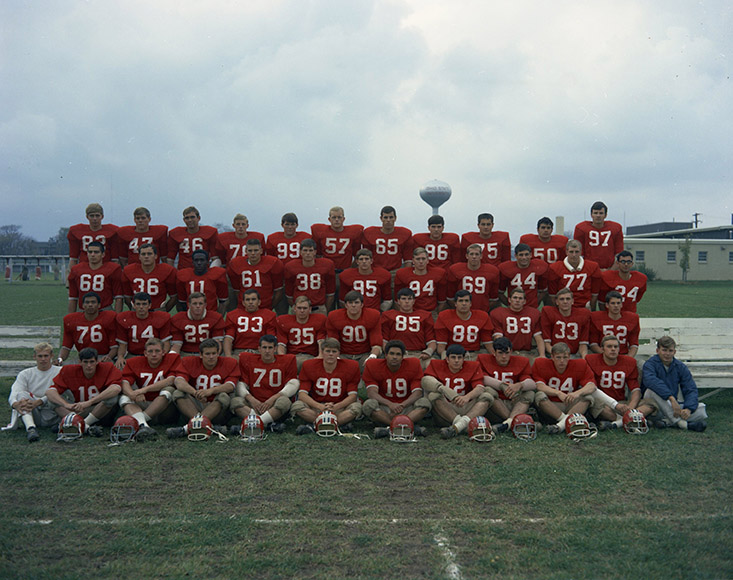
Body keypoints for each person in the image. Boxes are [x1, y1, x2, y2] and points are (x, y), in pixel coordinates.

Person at [166, 338, 238, 436]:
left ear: (218, 353)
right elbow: (179, 382)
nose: (211, 357)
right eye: (207, 354)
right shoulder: (189, 361)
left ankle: (186, 428)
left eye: (214, 353)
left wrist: (211, 391)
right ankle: (209, 427)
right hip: (196, 404)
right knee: (178, 393)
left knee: (224, 396)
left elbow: (230, 386)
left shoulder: (229, 363)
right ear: (200, 355)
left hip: (216, 407)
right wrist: (195, 393)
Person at [291, 338, 362, 434]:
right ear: (322, 352)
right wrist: (319, 406)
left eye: (334, 351)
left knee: (357, 407)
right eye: (328, 351)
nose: (331, 354)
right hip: (317, 407)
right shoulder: (309, 365)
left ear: (338, 353)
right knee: (297, 406)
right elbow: (302, 394)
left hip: (338, 407)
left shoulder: (351, 366)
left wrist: (336, 407)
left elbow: (352, 396)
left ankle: (315, 425)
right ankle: (337, 425)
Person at [46, 347, 122, 436]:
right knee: (51, 401)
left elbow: (116, 388)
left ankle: (80, 425)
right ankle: (83, 426)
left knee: (112, 398)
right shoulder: (69, 370)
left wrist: (90, 402)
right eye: (85, 362)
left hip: (99, 409)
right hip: (78, 408)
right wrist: (66, 405)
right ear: (80, 362)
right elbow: (50, 391)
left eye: (92, 362)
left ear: (97, 361)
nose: (89, 365)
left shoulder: (107, 368)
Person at [362, 340, 431, 437]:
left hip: (406, 405)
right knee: (368, 405)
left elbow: (418, 392)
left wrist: (402, 405)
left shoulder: (413, 364)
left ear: (403, 356)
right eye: (392, 353)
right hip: (385, 407)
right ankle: (408, 427)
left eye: (398, 354)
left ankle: (390, 428)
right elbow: (371, 393)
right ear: (386, 355)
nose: (394, 357)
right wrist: (390, 404)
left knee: (425, 403)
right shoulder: (373, 365)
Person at [229, 335, 297, 434]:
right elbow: (241, 384)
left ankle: (256, 424)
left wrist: (273, 398)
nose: (267, 351)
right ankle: (265, 423)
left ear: (275, 349)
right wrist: (251, 399)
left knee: (284, 401)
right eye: (264, 347)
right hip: (254, 404)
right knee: (235, 401)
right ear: (259, 349)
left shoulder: (287, 360)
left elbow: (293, 384)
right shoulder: (248, 359)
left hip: (274, 404)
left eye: (270, 348)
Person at [586, 335, 655, 430]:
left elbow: (635, 389)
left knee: (651, 403)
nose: (613, 349)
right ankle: (632, 420)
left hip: (622, 403)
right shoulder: (592, 360)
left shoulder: (628, 362)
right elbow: (592, 389)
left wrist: (630, 407)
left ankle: (620, 422)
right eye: (609, 346)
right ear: (602, 349)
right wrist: (616, 406)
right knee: (593, 403)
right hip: (604, 403)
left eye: (616, 347)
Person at [422, 344, 492, 439]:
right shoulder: (436, 364)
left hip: (466, 407)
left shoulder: (473, 366)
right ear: (447, 359)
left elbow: (480, 387)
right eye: (453, 357)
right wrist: (445, 390)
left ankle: (457, 427)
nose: (456, 360)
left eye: (459, 357)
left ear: (464, 359)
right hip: (446, 410)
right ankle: (464, 426)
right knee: (433, 395)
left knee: (487, 395)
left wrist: (467, 397)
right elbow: (425, 381)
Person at [641, 336, 708, 431]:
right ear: (657, 351)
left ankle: (666, 422)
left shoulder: (680, 366)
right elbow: (651, 382)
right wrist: (671, 398)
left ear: (674, 352)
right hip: (654, 405)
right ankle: (681, 424)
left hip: (671, 406)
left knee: (701, 409)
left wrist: (688, 409)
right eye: (664, 350)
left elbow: (690, 389)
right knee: (651, 390)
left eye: (670, 350)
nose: (667, 354)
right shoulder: (650, 364)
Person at [119, 338, 180, 439]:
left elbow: (170, 380)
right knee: (124, 397)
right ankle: (143, 425)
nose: (154, 354)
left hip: (163, 408)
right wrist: (132, 394)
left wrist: (143, 390)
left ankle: (140, 420)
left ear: (164, 352)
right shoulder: (133, 362)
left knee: (169, 390)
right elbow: (124, 382)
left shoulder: (172, 359)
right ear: (145, 353)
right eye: (150, 351)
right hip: (143, 402)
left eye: (157, 351)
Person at [532, 342, 597, 434]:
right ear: (552, 357)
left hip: (570, 403)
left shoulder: (580, 364)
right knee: (539, 395)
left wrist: (577, 393)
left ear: (569, 357)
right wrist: (558, 393)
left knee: (588, 397)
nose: (562, 361)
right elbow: (539, 386)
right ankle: (568, 422)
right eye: (558, 357)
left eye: (565, 357)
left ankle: (560, 426)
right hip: (551, 405)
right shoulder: (541, 363)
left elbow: (592, 386)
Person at [477, 337, 536, 432]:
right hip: (496, 404)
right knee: (488, 391)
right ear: (493, 352)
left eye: (507, 353)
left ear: (511, 352)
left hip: (514, 402)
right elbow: (482, 378)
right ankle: (514, 422)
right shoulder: (483, 359)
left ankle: (507, 423)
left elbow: (532, 384)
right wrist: (502, 386)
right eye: (500, 353)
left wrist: (520, 385)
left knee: (530, 393)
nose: (504, 356)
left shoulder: (522, 361)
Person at [6, 343, 62, 442]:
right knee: (22, 395)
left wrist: (40, 401)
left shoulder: (60, 371)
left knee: (55, 395)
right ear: (34, 357)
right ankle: (31, 429)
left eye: (46, 356)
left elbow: (60, 391)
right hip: (32, 411)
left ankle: (62, 424)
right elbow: (15, 391)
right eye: (40, 356)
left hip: (53, 412)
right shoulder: (25, 373)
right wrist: (15, 404)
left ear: (52, 356)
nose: (43, 359)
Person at [380, 288, 436, 369]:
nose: (407, 301)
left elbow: (431, 341)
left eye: (409, 299)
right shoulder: (388, 315)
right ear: (398, 301)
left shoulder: (425, 316)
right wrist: (389, 354)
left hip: (419, 354)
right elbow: (384, 340)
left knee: (433, 365)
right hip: (396, 354)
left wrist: (428, 352)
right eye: (403, 299)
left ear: (414, 301)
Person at [326, 290, 382, 369]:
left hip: (364, 353)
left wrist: (373, 356)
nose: (353, 305)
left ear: (362, 305)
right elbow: (333, 342)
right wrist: (336, 357)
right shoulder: (335, 316)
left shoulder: (372, 316)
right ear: (345, 305)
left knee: (371, 364)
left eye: (356, 303)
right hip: (343, 354)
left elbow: (376, 343)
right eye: (350, 303)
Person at [115, 292, 172, 368]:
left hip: (154, 355)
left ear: (150, 305)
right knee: (120, 368)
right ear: (134, 305)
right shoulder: (125, 319)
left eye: (144, 304)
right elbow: (123, 344)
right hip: (133, 355)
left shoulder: (160, 318)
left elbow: (165, 342)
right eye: (138, 304)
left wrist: (162, 356)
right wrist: (120, 357)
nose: (141, 307)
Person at [59, 292, 118, 364]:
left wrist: (108, 357)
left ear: (99, 305)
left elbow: (114, 346)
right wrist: (60, 359)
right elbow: (66, 346)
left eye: (93, 302)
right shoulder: (71, 320)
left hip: (102, 356)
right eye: (87, 302)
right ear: (82, 305)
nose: (90, 305)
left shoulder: (109, 318)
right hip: (83, 357)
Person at [227, 238, 284, 311]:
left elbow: (278, 291)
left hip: (265, 306)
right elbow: (237, 290)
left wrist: (270, 306)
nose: (253, 253)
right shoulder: (236, 264)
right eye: (250, 251)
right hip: (244, 307)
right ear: (245, 251)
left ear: (261, 251)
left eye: (256, 250)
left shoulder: (273, 263)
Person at [435, 290, 494, 359]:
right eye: (460, 301)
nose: (464, 303)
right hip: (453, 354)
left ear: (470, 303)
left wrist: (494, 354)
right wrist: (445, 356)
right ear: (455, 303)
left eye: (466, 301)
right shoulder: (444, 316)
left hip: (474, 353)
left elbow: (487, 341)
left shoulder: (482, 316)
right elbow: (441, 346)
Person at [67, 241, 123, 313]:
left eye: (96, 252)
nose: (92, 255)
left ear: (103, 254)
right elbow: (73, 298)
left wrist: (117, 317)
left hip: (105, 310)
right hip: (83, 310)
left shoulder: (113, 269)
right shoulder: (76, 270)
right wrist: (71, 318)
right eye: (90, 252)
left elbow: (118, 297)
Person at [490, 288, 545, 361]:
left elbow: (538, 337)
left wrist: (542, 355)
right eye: (515, 297)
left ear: (524, 301)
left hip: (527, 352)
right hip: (507, 352)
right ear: (509, 300)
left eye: (520, 298)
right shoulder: (498, 313)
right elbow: (498, 337)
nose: (517, 300)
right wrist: (504, 353)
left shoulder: (534, 314)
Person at [284, 239, 336, 313]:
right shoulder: (291, 266)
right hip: (299, 308)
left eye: (310, 250)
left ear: (315, 252)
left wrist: (324, 309)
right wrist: (297, 307)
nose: (308, 253)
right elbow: (289, 294)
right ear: (300, 252)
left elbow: (330, 293)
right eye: (305, 250)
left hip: (318, 307)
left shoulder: (327, 265)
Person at [275, 295, 327, 369]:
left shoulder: (320, 319)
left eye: (305, 308)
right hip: (293, 356)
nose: (302, 311)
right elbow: (281, 344)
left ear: (310, 309)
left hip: (311, 356)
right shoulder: (283, 321)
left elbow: (321, 341)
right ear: (294, 309)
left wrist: (320, 356)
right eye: (299, 308)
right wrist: (283, 358)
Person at [122, 243, 178, 311]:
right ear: (139, 257)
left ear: (156, 256)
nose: (146, 256)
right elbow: (127, 297)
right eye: (143, 254)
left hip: (158, 310)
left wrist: (164, 309)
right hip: (137, 311)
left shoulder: (167, 270)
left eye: (149, 254)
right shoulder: (129, 270)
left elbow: (174, 296)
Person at [547, 240, 601, 310]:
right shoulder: (555, 268)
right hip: (564, 307)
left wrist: (591, 308)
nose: (574, 255)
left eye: (577, 252)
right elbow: (553, 295)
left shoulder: (592, 266)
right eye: (571, 252)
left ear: (581, 252)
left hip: (584, 307)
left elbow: (594, 294)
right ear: (566, 252)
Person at [222, 289, 278, 357]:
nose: (250, 302)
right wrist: (228, 356)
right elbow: (228, 338)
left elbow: (271, 339)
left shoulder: (269, 315)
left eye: (253, 299)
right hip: (239, 351)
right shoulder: (232, 315)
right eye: (248, 300)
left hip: (260, 352)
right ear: (243, 302)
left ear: (259, 302)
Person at [446, 243, 500, 312]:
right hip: (461, 312)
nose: (474, 257)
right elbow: (450, 297)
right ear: (466, 256)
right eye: (471, 254)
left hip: (482, 311)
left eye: (477, 254)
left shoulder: (492, 271)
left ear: (481, 256)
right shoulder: (455, 270)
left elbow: (493, 298)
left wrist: (484, 309)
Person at [394, 247, 447, 315]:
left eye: (423, 259)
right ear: (413, 260)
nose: (421, 261)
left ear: (428, 260)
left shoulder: (439, 274)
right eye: (418, 259)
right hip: (410, 312)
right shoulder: (402, 274)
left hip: (431, 312)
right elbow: (397, 301)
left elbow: (442, 301)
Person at [361, 205, 414, 273]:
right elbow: (366, 256)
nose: (388, 220)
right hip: (375, 271)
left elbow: (408, 260)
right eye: (385, 217)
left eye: (391, 217)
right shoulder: (369, 232)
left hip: (395, 271)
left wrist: (405, 274)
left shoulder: (405, 233)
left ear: (395, 218)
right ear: (381, 218)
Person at [572, 201, 624, 270]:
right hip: (588, 270)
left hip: (610, 269)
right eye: (595, 213)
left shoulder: (615, 228)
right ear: (591, 215)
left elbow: (619, 254)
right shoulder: (581, 229)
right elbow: (578, 255)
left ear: (605, 215)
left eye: (601, 213)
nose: (598, 215)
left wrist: (611, 270)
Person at [310, 206, 364, 272]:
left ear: (343, 219)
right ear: (329, 219)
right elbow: (317, 254)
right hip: (326, 271)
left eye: (339, 217)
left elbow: (356, 254)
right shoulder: (320, 231)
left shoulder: (354, 232)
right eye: (334, 217)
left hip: (345, 270)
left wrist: (351, 269)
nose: (336, 220)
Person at [540, 288, 591, 358]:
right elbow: (547, 343)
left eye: (568, 299)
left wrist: (584, 358)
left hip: (574, 354)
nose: (565, 302)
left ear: (572, 301)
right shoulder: (548, 313)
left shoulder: (583, 314)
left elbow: (583, 344)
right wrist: (560, 356)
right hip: (554, 354)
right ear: (557, 302)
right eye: (561, 299)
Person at [67, 203, 119, 270]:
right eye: (92, 216)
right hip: (84, 268)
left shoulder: (112, 231)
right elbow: (73, 258)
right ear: (87, 216)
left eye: (97, 215)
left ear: (102, 216)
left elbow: (115, 259)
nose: (95, 219)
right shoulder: (76, 231)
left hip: (105, 269)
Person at [175, 249, 228, 315]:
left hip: (211, 314)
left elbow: (223, 301)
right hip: (191, 316)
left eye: (202, 260)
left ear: (207, 262)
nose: (199, 263)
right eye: (196, 260)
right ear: (192, 262)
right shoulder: (184, 276)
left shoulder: (217, 275)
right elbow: (181, 302)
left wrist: (217, 318)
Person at [589, 291, 639, 357]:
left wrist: (628, 358)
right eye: (613, 303)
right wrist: (606, 355)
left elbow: (634, 345)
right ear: (607, 305)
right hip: (602, 356)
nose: (616, 306)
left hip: (623, 355)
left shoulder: (632, 318)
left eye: (618, 303)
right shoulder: (596, 318)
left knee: (641, 364)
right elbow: (593, 344)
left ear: (621, 304)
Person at [498, 243, 548, 308]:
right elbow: (500, 292)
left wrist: (535, 303)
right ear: (515, 256)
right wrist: (510, 304)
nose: (524, 257)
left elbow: (543, 291)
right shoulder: (506, 268)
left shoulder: (539, 266)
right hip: (514, 307)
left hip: (531, 307)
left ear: (531, 255)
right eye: (521, 255)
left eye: (526, 254)